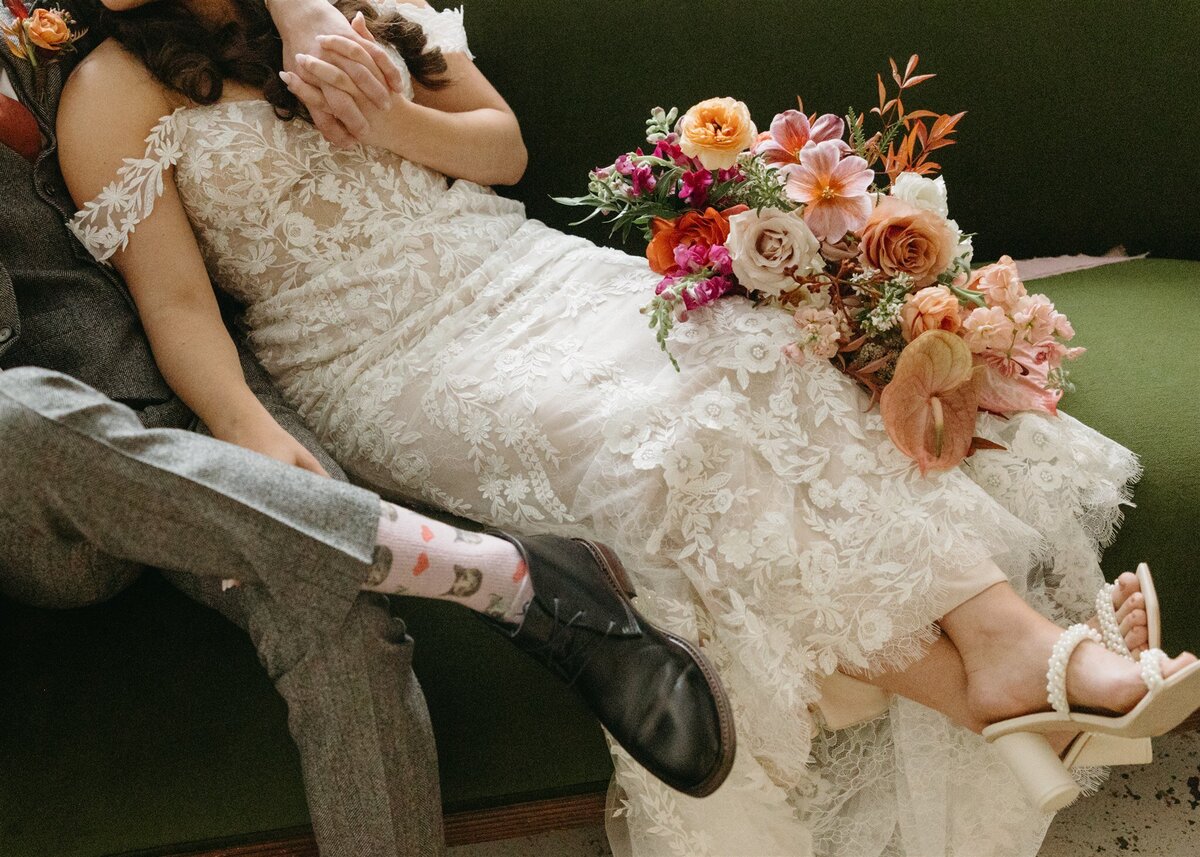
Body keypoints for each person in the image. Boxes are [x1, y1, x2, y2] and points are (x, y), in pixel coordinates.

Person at [49, 0, 1199, 854]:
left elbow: (497, 149)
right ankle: (1018, 672)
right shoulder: (112, 88)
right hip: (375, 352)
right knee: (669, 447)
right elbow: (178, 306)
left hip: (517, 265)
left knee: (753, 353)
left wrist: (389, 115)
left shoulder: (337, 1)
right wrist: (252, 431)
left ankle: (1005, 662)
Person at [0, 2, 735, 855]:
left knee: (331, 602)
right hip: (28, 476)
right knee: (15, 414)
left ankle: (416, 560)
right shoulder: (112, 86)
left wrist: (246, 424)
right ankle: (490, 575)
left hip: (179, 397)